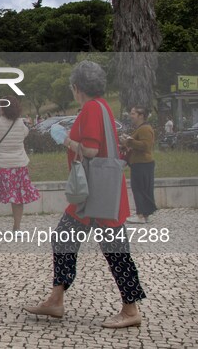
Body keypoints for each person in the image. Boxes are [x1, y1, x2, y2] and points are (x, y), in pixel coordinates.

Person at [24, 61, 146, 328]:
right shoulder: (102, 106)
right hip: (95, 195)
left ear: (77, 87)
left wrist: (63, 138)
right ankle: (56, 300)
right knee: (65, 238)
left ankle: (130, 309)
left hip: (96, 196)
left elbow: (90, 150)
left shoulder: (91, 108)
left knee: (115, 251)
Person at [0, 96, 40, 232]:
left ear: (2, 108)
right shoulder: (20, 125)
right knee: (17, 198)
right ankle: (17, 228)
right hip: (18, 167)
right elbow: (25, 133)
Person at [120, 107, 157, 224]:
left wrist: (129, 141)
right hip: (140, 163)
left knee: (139, 189)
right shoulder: (140, 128)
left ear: (141, 115)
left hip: (142, 163)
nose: (131, 116)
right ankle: (145, 214)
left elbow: (146, 145)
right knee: (144, 188)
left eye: (133, 113)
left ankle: (140, 215)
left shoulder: (145, 129)